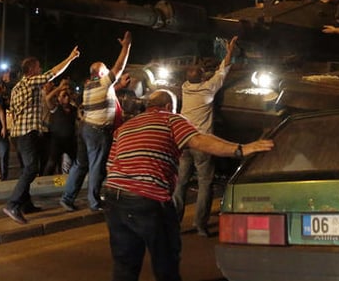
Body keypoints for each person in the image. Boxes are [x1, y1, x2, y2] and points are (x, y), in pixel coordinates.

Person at [101, 88, 274, 281]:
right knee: (166, 260)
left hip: (114, 197)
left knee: (124, 264)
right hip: (149, 198)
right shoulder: (171, 119)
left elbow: (110, 166)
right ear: (169, 106)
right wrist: (241, 149)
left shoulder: (125, 127)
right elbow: (200, 140)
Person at [3, 45, 81, 225]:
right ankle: (13, 204)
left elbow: (14, 111)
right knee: (31, 168)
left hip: (17, 133)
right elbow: (52, 73)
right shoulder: (30, 82)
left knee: (26, 169)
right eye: (38, 67)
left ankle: (25, 204)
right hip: (26, 133)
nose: (40, 70)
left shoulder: (16, 88)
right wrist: (70, 58)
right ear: (31, 70)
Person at [172, 35, 238, 237]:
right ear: (203, 77)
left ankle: (174, 223)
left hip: (184, 142)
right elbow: (223, 70)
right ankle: (200, 225)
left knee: (180, 183)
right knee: (204, 184)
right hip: (203, 143)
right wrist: (229, 51)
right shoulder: (209, 87)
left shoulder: (185, 87)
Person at [60, 31, 132, 213]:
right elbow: (119, 66)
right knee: (96, 167)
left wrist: (120, 86)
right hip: (98, 132)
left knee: (80, 164)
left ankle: (67, 198)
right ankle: (94, 202)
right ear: (101, 73)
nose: (109, 71)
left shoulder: (89, 86)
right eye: (106, 70)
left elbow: (107, 90)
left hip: (85, 129)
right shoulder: (102, 83)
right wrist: (126, 46)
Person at [42, 79, 78, 175]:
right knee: (52, 163)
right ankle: (43, 185)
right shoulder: (56, 108)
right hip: (57, 141)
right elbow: (48, 99)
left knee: (76, 162)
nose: (66, 97)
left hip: (70, 141)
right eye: (63, 95)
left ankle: (68, 183)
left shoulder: (73, 109)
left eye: (67, 95)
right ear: (58, 98)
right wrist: (59, 88)